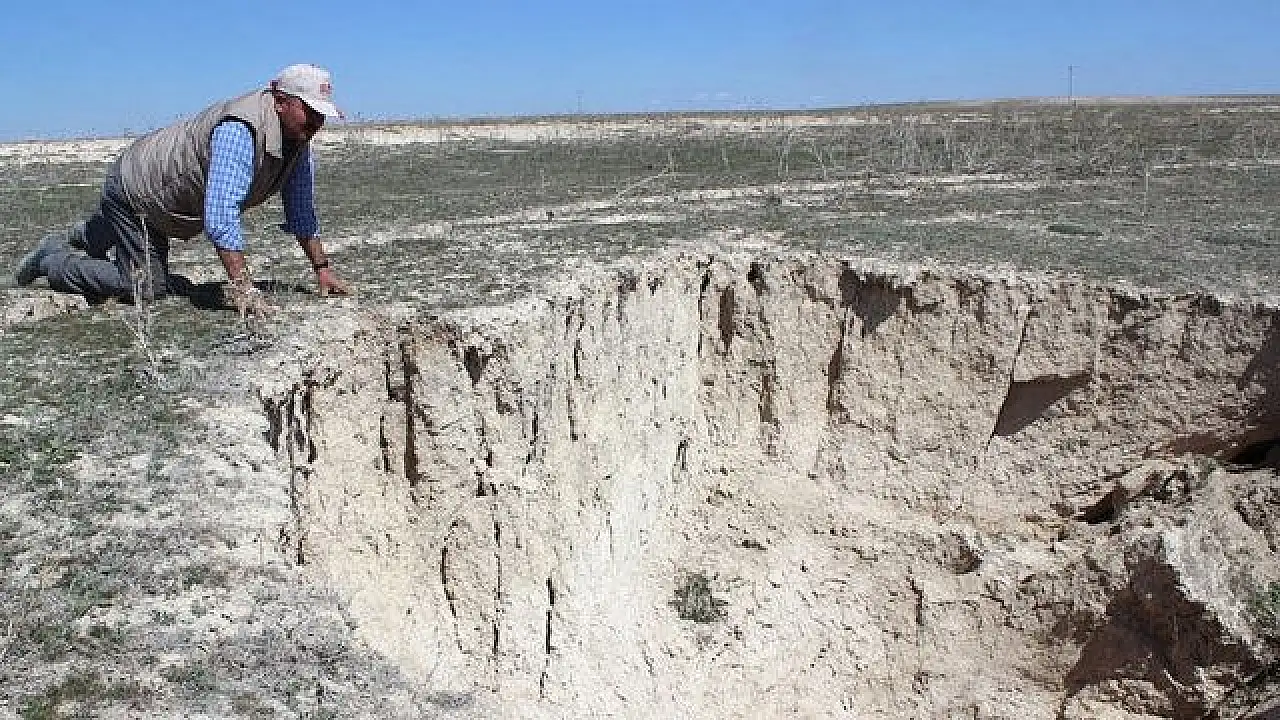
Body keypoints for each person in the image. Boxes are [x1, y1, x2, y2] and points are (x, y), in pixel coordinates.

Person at [13, 63, 351, 318]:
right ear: (280, 102)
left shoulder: (297, 141)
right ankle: (53, 260)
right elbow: (221, 215)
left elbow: (301, 210)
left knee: (119, 236)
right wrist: (244, 288)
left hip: (160, 195)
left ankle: (86, 235)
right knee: (146, 287)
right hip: (139, 191)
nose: (316, 124)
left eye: (321, 115)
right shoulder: (241, 129)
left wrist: (321, 268)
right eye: (310, 113)